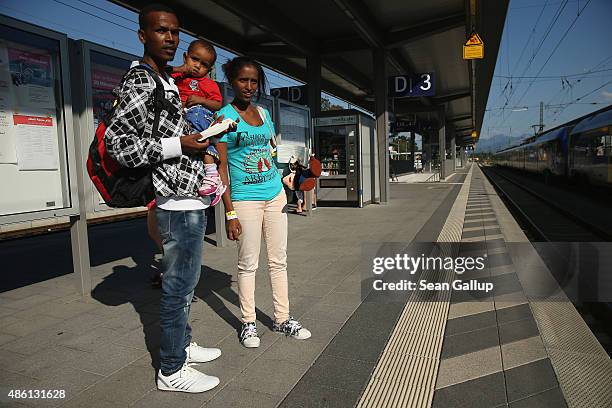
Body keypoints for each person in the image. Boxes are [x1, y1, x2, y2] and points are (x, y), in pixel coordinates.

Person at [105, 4, 233, 393]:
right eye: (161, 31)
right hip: (175, 200)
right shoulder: (142, 80)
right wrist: (182, 143)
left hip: (190, 195)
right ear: (143, 35)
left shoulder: (168, 80)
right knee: (179, 284)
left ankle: (183, 344)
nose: (171, 39)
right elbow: (118, 145)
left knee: (187, 280)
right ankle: (172, 369)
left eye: (175, 32)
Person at [216, 56, 311, 348]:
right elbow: (221, 169)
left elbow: (270, 152)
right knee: (248, 264)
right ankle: (248, 323)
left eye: (254, 81)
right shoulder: (224, 117)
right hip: (245, 200)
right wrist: (229, 212)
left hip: (274, 195)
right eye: (243, 80)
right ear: (232, 82)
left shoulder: (264, 114)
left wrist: (288, 176)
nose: (248, 86)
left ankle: (282, 319)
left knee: (278, 260)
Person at [170, 39, 226, 205]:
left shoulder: (209, 84)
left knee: (201, 140)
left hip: (198, 115)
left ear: (209, 69)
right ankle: (210, 179)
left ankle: (211, 174)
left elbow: (217, 103)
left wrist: (200, 100)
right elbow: (159, 72)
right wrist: (180, 69)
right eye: (194, 59)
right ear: (185, 57)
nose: (197, 66)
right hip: (182, 117)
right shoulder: (176, 76)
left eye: (204, 64)